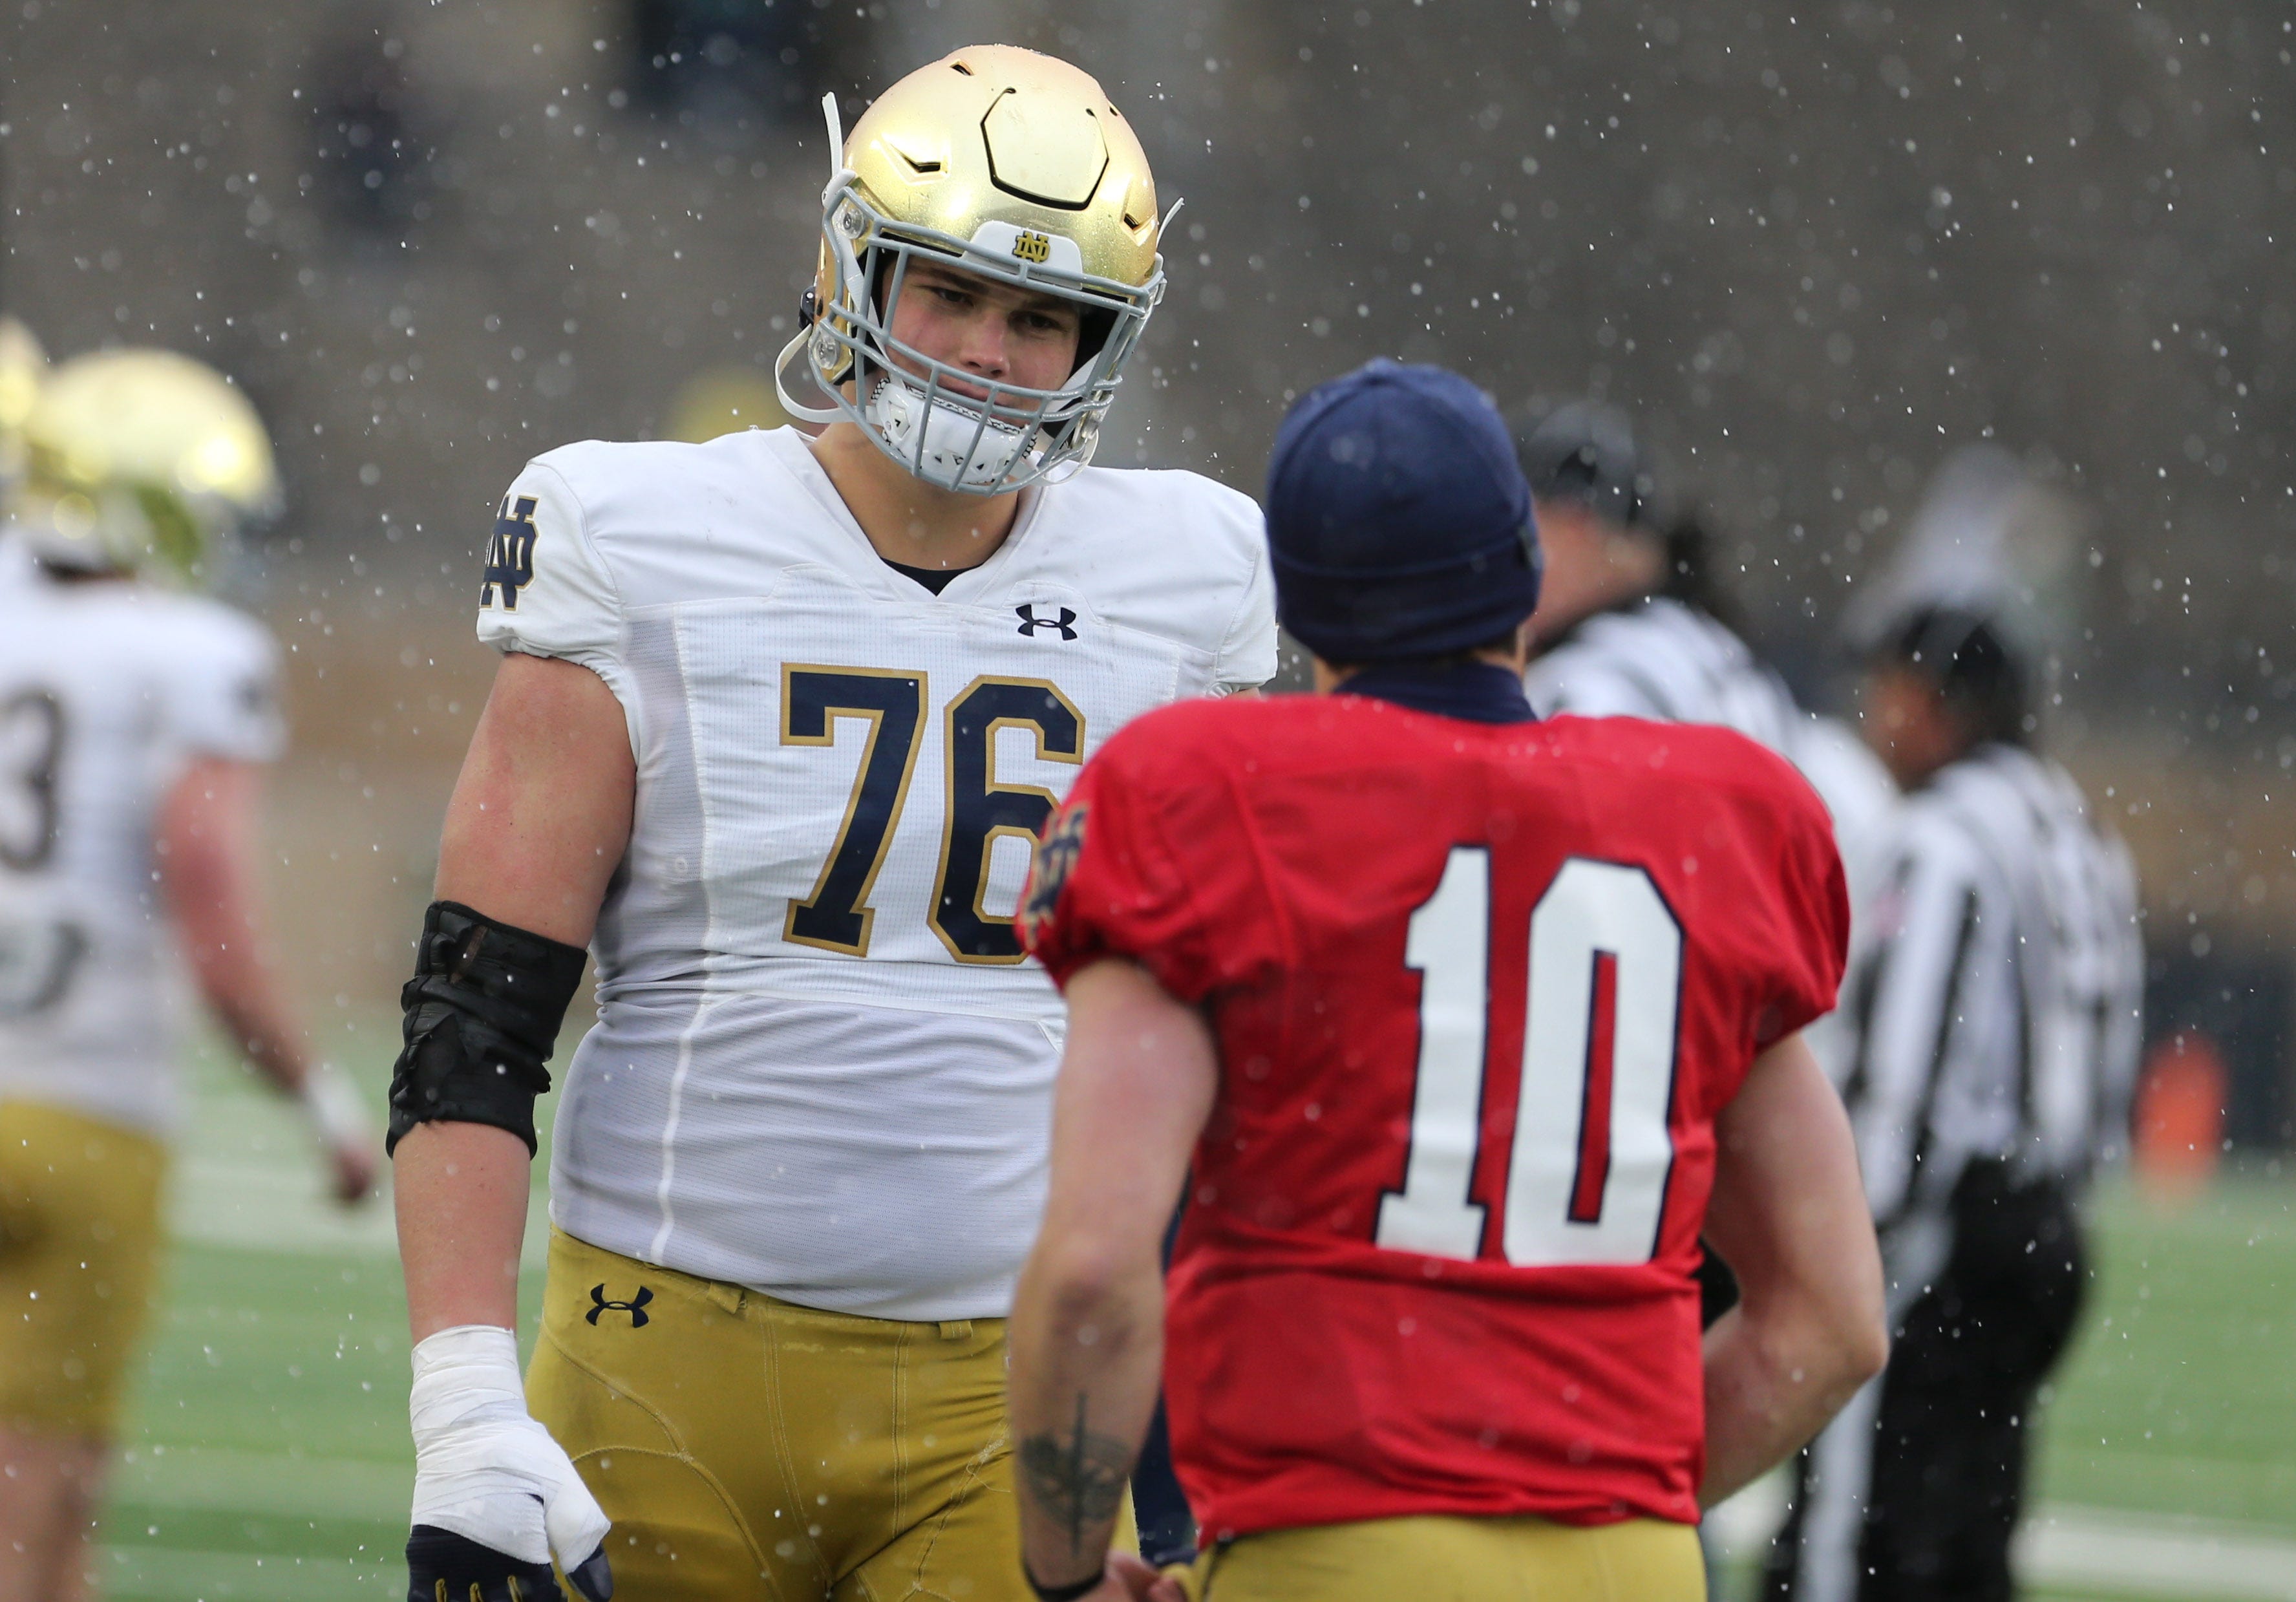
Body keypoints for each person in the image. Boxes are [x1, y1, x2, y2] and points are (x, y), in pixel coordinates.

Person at [387, 45, 1276, 1602]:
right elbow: (476, 1010)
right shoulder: (641, 535)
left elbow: (1236, 1037)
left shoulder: (1188, 574)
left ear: (1099, 342)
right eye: (948, 291)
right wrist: (462, 1404)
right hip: (663, 1362)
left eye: (1038, 316)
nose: (989, 353)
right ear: (849, 267)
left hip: (999, 1393)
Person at [1007, 360, 1887, 1602]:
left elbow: (1095, 1274)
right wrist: (1596, 1499)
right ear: (1526, 569)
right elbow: (1831, 1322)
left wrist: (1062, 1573)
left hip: (1334, 1548)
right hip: (1628, 1564)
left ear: (1300, 598)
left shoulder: (1203, 793)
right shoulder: (1711, 815)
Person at [0, 345, 376, 1602]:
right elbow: (208, 900)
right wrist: (317, 1097)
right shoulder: (188, 650)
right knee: (41, 1485)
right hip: (83, 1104)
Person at [1763, 606, 2143, 1602]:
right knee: (1971, 1532)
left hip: (1943, 1244)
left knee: (1851, 1542)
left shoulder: (1941, 838)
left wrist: (1849, 1235)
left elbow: (1904, 1077)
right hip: (2045, 1230)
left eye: (1889, 690)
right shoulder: (2074, 824)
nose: (1874, 717)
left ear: (1936, 704)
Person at [1514, 400, 1898, 909]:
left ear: (1574, 529)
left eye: (1523, 528)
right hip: (1746, 968)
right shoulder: (1719, 652)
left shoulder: (1588, 683)